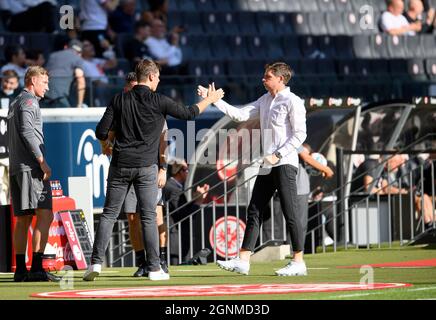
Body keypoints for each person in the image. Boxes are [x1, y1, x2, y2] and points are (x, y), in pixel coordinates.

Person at [83, 59, 224, 281]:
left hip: (120, 165)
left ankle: (95, 264)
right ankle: (155, 268)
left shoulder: (118, 99)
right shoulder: (159, 101)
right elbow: (189, 113)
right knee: (149, 216)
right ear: (150, 76)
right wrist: (210, 99)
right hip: (146, 167)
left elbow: (101, 131)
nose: (159, 80)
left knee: (109, 214)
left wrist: (109, 145)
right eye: (157, 77)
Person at [198, 62, 307, 276]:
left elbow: (300, 134)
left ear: (280, 79)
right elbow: (239, 115)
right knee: (254, 210)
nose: (263, 79)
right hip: (267, 164)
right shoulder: (264, 100)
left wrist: (277, 155)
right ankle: (243, 260)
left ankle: (298, 261)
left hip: (284, 163)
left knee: (290, 211)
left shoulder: (293, 101)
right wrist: (213, 100)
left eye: (267, 76)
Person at [103, 72, 170, 277]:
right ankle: (142, 261)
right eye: (128, 90)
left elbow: (163, 140)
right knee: (132, 216)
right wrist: (104, 144)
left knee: (154, 214)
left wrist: (163, 168)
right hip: (125, 167)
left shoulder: (152, 106)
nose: (132, 93)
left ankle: (160, 259)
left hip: (148, 167)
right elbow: (105, 132)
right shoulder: (121, 106)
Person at [7, 66, 60, 282]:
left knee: (22, 219)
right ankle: (37, 268)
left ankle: (21, 270)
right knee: (45, 214)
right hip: (31, 168)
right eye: (44, 83)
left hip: (17, 167)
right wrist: (42, 161)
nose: (47, 87)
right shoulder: (29, 101)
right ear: (33, 81)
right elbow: (28, 132)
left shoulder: (15, 102)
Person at [163, 158, 209, 265]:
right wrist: (198, 201)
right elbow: (183, 215)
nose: (188, 172)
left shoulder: (172, 186)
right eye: (186, 169)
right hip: (174, 239)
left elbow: (181, 210)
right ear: (179, 171)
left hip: (174, 237)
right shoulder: (173, 188)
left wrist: (196, 199)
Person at [43, 40, 86, 108]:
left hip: (44, 96)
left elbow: (42, 73)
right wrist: (79, 104)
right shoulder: (77, 58)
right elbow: (80, 79)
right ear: (80, 53)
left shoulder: (52, 55)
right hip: (60, 98)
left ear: (65, 47)